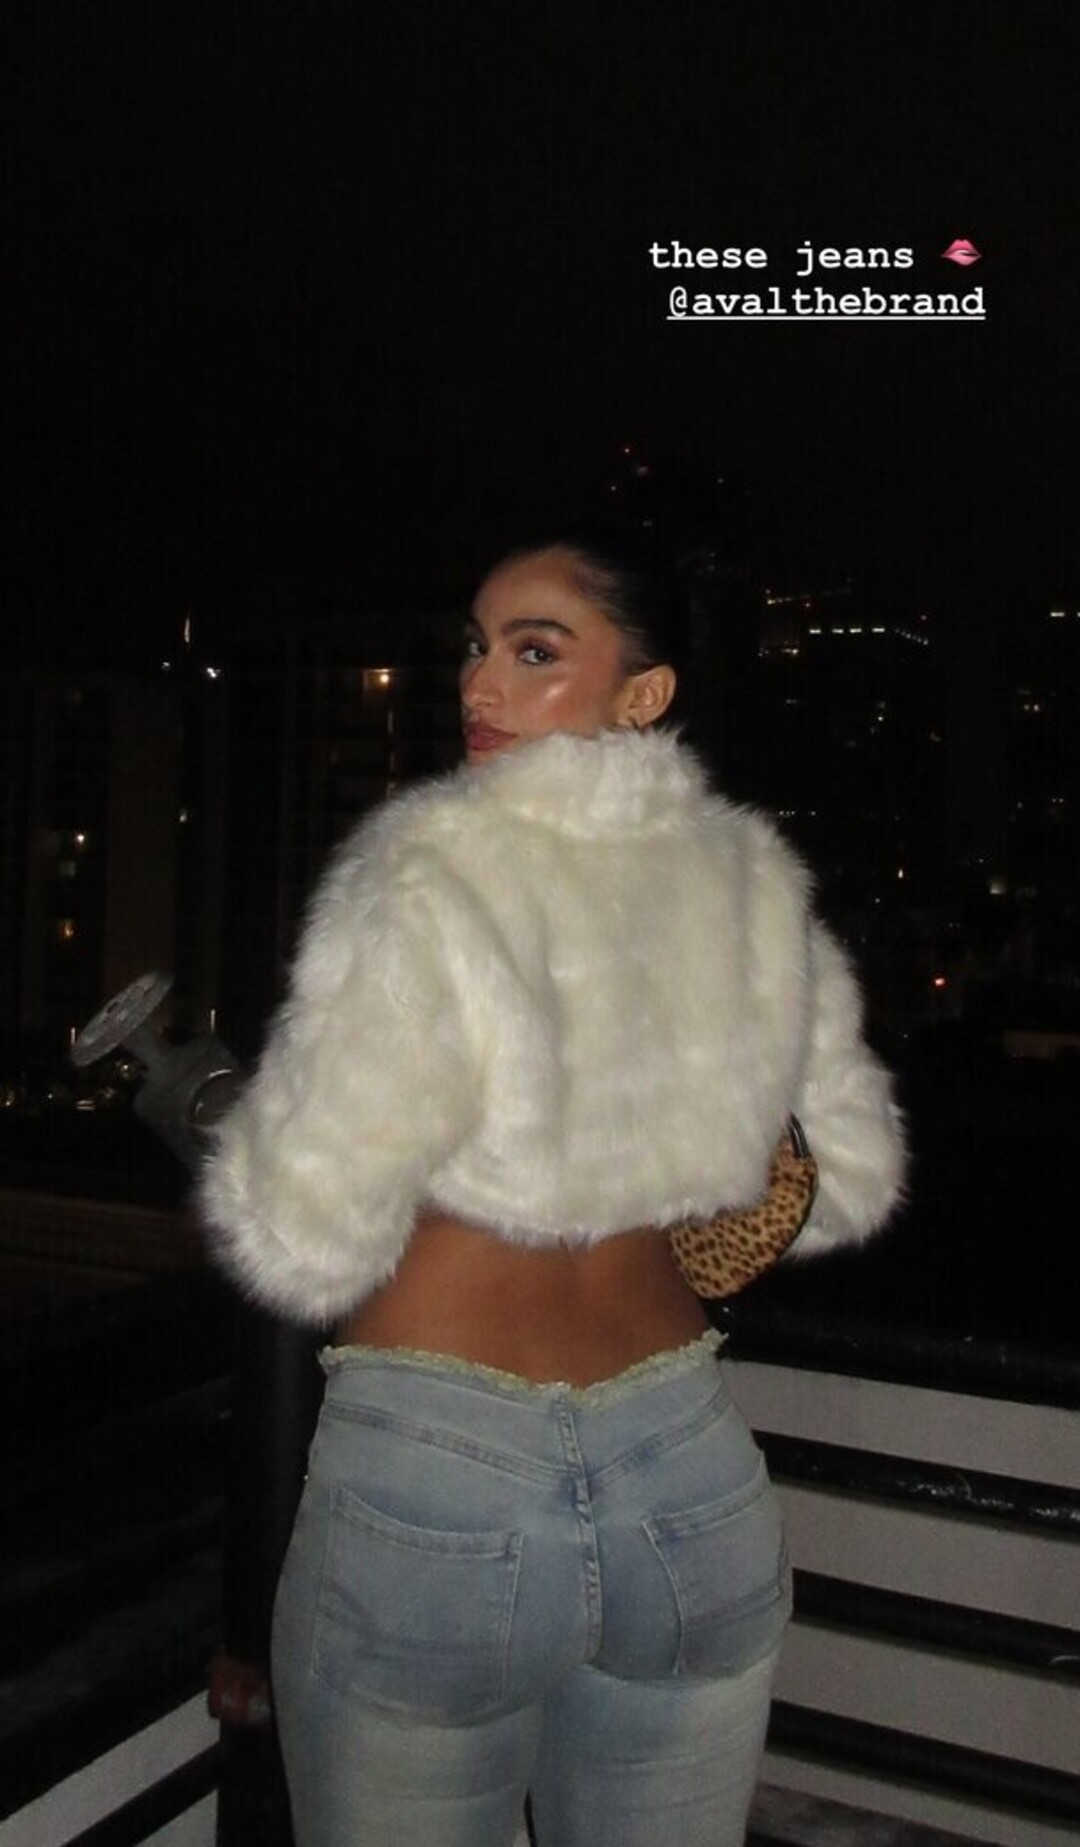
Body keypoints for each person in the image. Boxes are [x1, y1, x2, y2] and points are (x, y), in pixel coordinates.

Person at [199, 528, 906, 1847]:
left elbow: (302, 1230)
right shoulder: (752, 877)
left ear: (645, 690)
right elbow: (847, 1179)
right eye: (476, 649)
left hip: (440, 1482)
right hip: (686, 1473)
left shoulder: (430, 864)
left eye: (535, 652)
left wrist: (239, 1131)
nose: (481, 685)